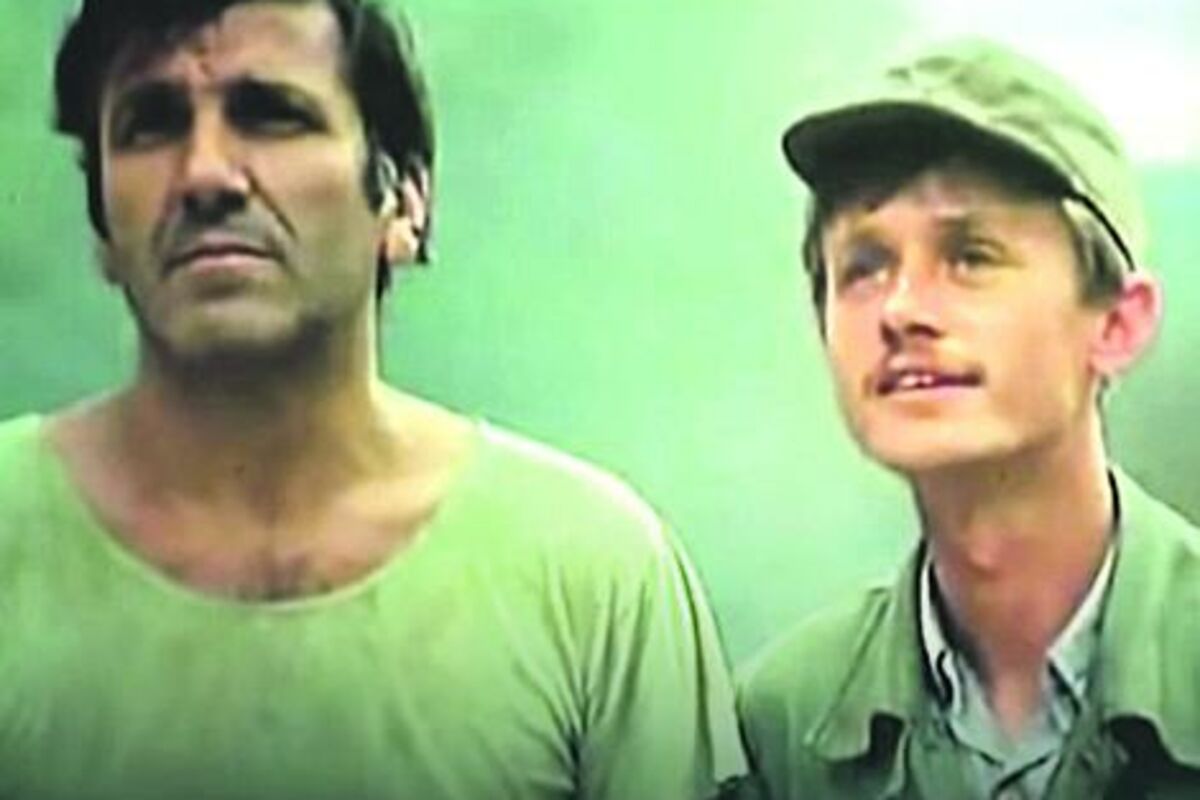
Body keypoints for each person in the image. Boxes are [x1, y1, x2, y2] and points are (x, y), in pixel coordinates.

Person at [0, 0, 746, 797]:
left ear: (405, 201)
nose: (206, 175)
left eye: (272, 116)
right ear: (102, 226)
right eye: (151, 125)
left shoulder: (594, 578)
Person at [735, 37, 1200, 799]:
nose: (901, 309)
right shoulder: (782, 727)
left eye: (972, 256)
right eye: (863, 267)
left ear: (1117, 323)